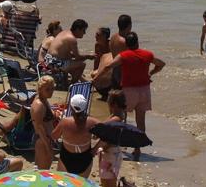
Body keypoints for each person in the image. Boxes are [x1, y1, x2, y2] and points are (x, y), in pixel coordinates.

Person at [93, 31, 163, 160]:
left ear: (127, 45)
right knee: (140, 121)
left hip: (129, 91)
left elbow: (108, 66)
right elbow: (161, 64)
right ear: (137, 42)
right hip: (144, 91)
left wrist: (96, 78)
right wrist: (151, 73)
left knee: (119, 116)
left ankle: (112, 141)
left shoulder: (124, 55)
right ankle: (137, 149)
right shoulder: (147, 54)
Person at [52, 94, 98, 177]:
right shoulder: (92, 122)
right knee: (81, 184)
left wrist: (55, 121)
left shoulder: (65, 122)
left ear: (71, 106)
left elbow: (54, 136)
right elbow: (108, 134)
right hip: (85, 159)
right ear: (85, 106)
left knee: (62, 183)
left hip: (66, 158)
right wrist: (95, 148)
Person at [42, 19, 93, 83]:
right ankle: (73, 85)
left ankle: (65, 83)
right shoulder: (72, 39)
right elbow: (78, 57)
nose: (84, 33)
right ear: (77, 29)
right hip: (53, 63)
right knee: (82, 64)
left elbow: (66, 54)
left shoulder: (64, 33)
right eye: (83, 30)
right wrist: (89, 56)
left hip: (48, 60)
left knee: (70, 61)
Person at [30, 76, 58, 169]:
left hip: (46, 139)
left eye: (52, 88)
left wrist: (55, 114)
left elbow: (47, 117)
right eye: (48, 89)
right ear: (40, 89)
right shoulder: (39, 105)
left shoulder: (44, 99)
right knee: (43, 171)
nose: (51, 91)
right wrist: (47, 146)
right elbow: (39, 127)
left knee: (40, 170)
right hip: (43, 140)